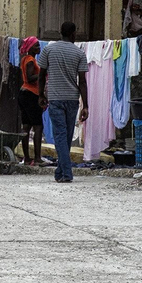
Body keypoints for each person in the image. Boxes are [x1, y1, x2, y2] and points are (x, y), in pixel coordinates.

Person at [38, 22, 89, 184]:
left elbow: (41, 75)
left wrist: (40, 95)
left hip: (55, 98)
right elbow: (82, 82)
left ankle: (64, 172)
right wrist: (85, 105)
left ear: (60, 32)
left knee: (60, 135)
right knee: (65, 137)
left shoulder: (48, 50)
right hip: (72, 99)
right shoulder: (79, 53)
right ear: (73, 34)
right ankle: (64, 172)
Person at [16, 38, 44, 167]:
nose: (39, 47)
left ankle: (27, 158)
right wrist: (43, 73)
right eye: (36, 45)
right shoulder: (31, 60)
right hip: (30, 94)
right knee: (38, 126)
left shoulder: (25, 59)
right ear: (31, 47)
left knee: (26, 126)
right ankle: (37, 157)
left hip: (24, 93)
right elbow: (29, 77)